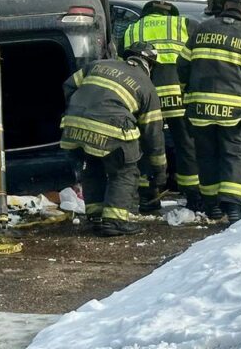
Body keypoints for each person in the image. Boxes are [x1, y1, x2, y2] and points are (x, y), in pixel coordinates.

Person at [177, 0, 241, 224]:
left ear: (225, 5)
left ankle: (213, 208)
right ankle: (234, 207)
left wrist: (189, 90)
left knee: (206, 155)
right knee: (234, 155)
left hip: (199, 108)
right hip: (235, 110)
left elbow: (183, 65)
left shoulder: (201, 29)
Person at [60, 42, 165, 237]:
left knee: (92, 165)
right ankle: (114, 221)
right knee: (125, 171)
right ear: (149, 64)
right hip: (111, 128)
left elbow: (68, 85)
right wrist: (159, 171)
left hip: (73, 126)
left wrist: (80, 109)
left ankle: (96, 215)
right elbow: (154, 134)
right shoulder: (146, 85)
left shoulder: (98, 65)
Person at [121, 0, 200, 212]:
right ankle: (193, 196)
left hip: (146, 96)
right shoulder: (183, 24)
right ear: (170, 14)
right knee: (186, 144)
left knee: (148, 145)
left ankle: (149, 197)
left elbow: (123, 64)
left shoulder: (131, 29)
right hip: (178, 94)